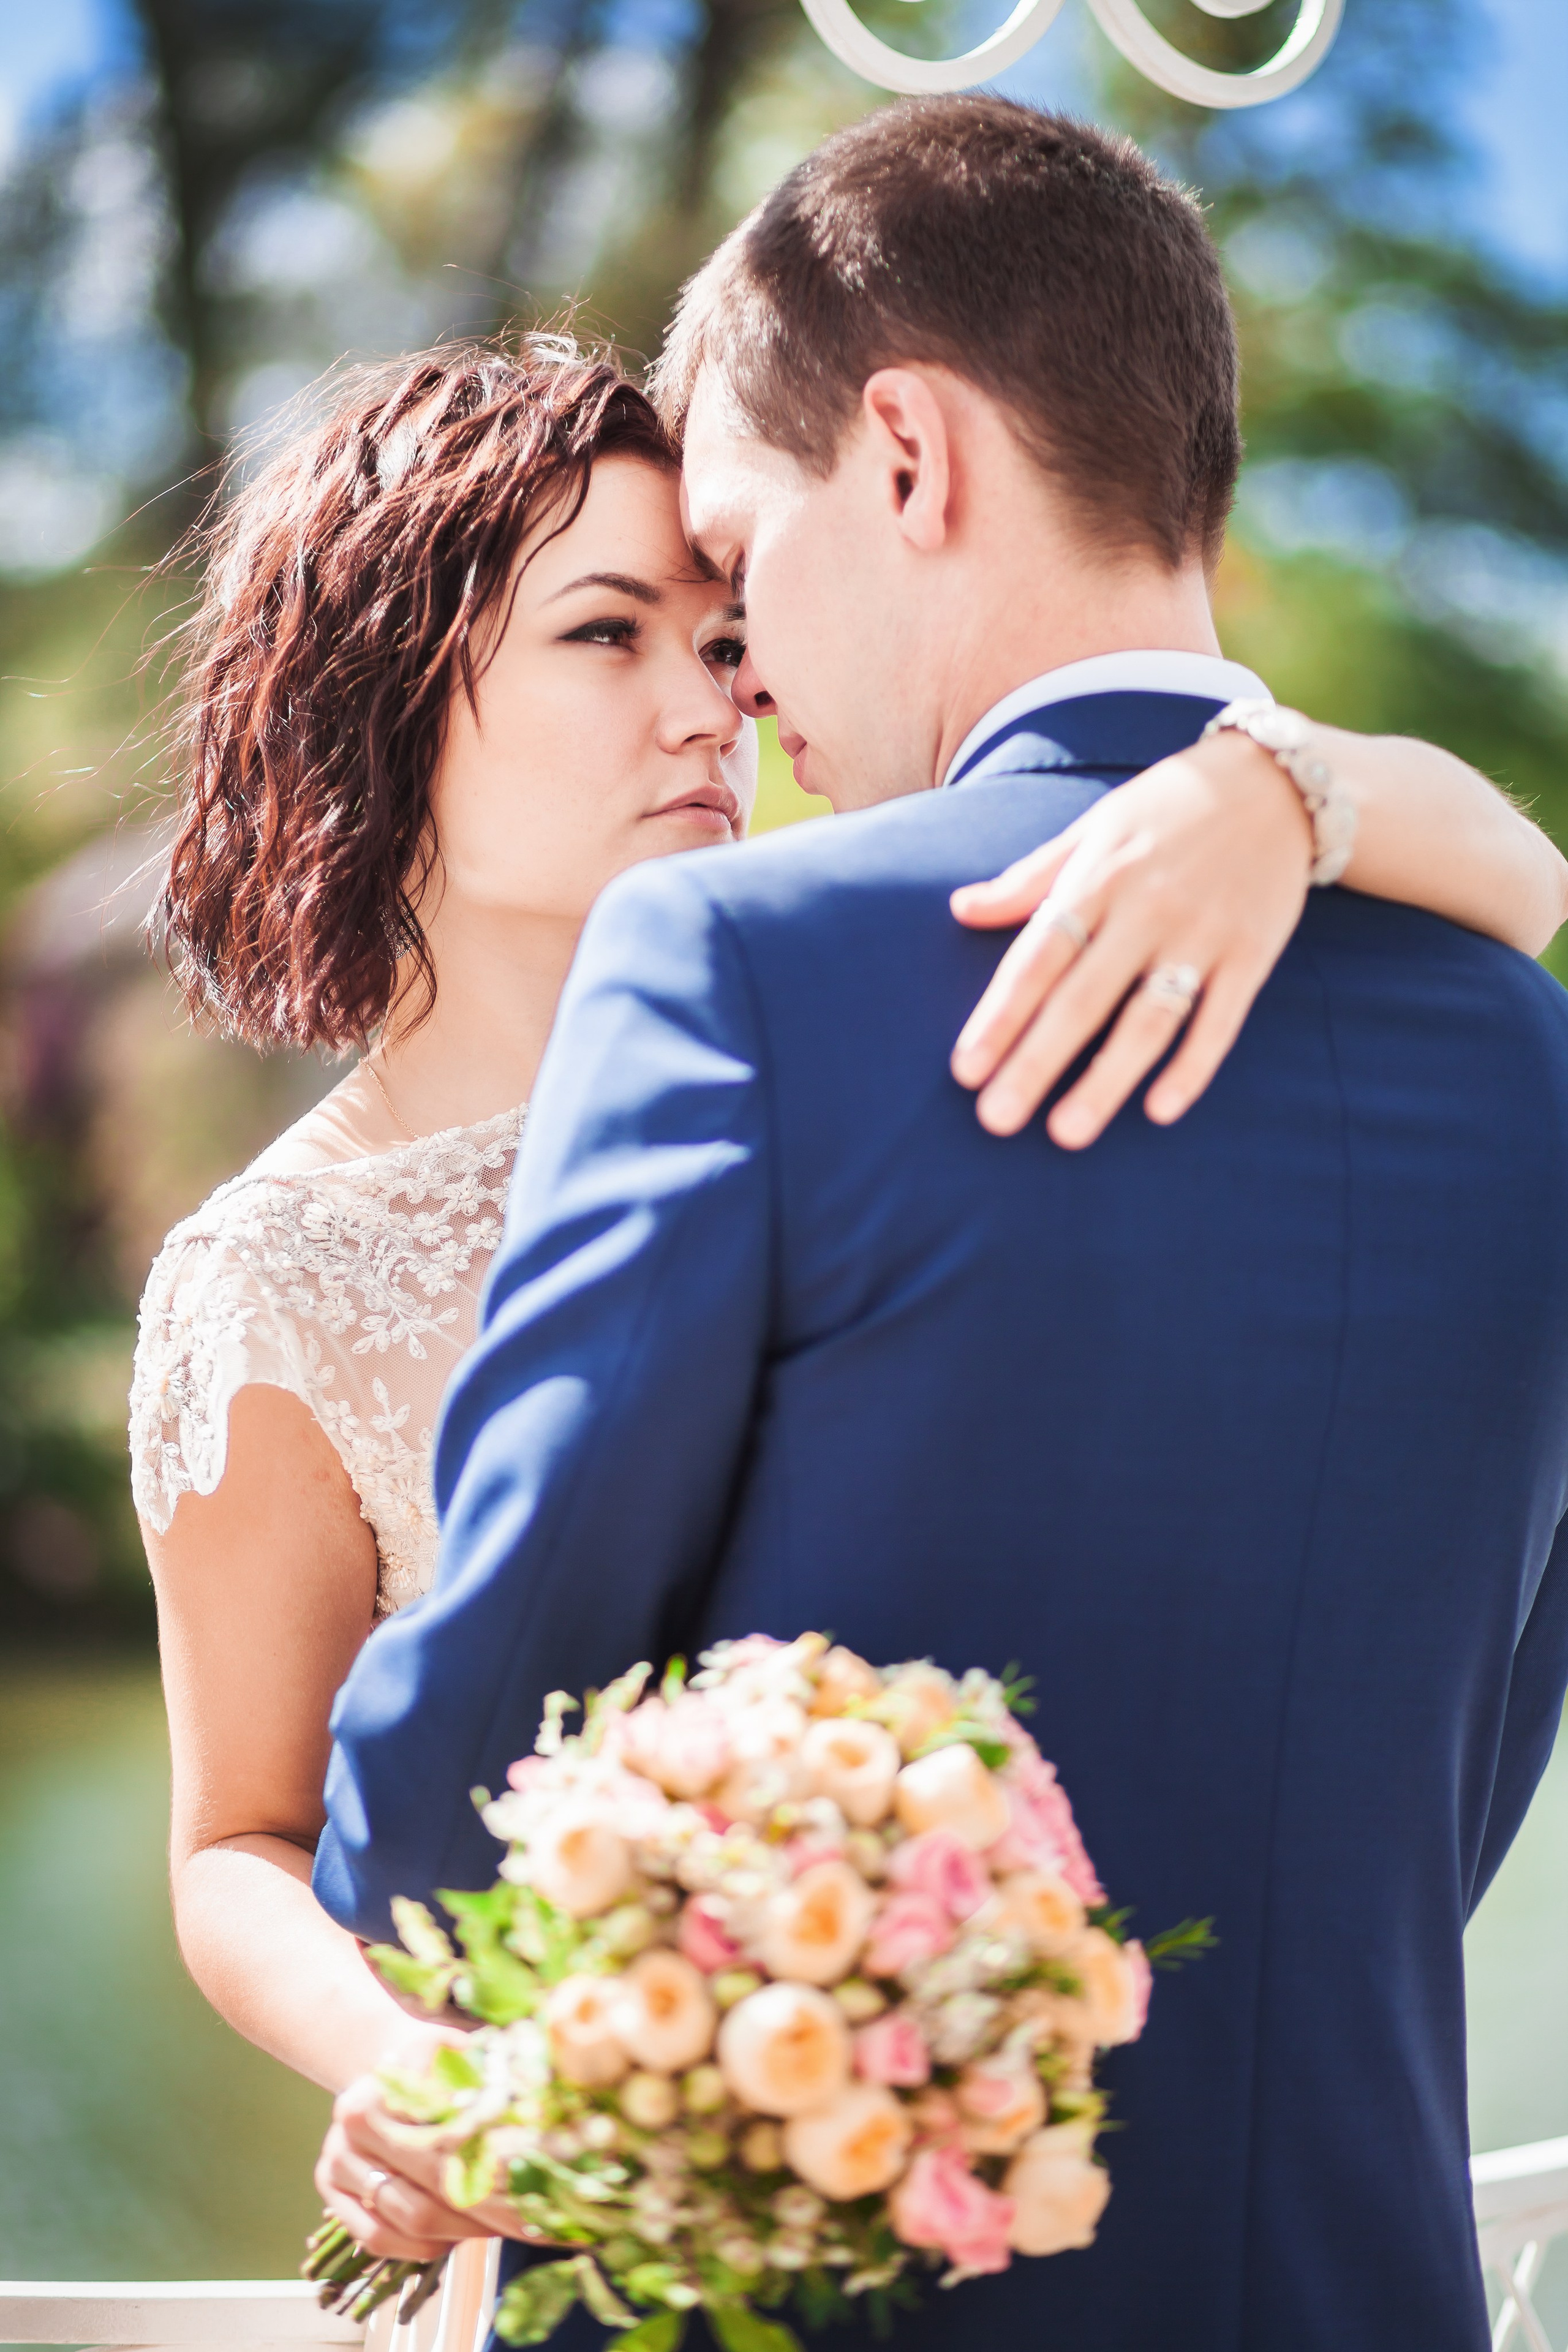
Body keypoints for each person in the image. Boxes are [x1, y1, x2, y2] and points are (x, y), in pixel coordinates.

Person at [310, 101, 1568, 2352]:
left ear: (905, 458)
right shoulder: (1520, 1047)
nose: (746, 669)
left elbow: (477, 1748)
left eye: (741, 548)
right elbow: (1477, 1766)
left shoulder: (737, 969)